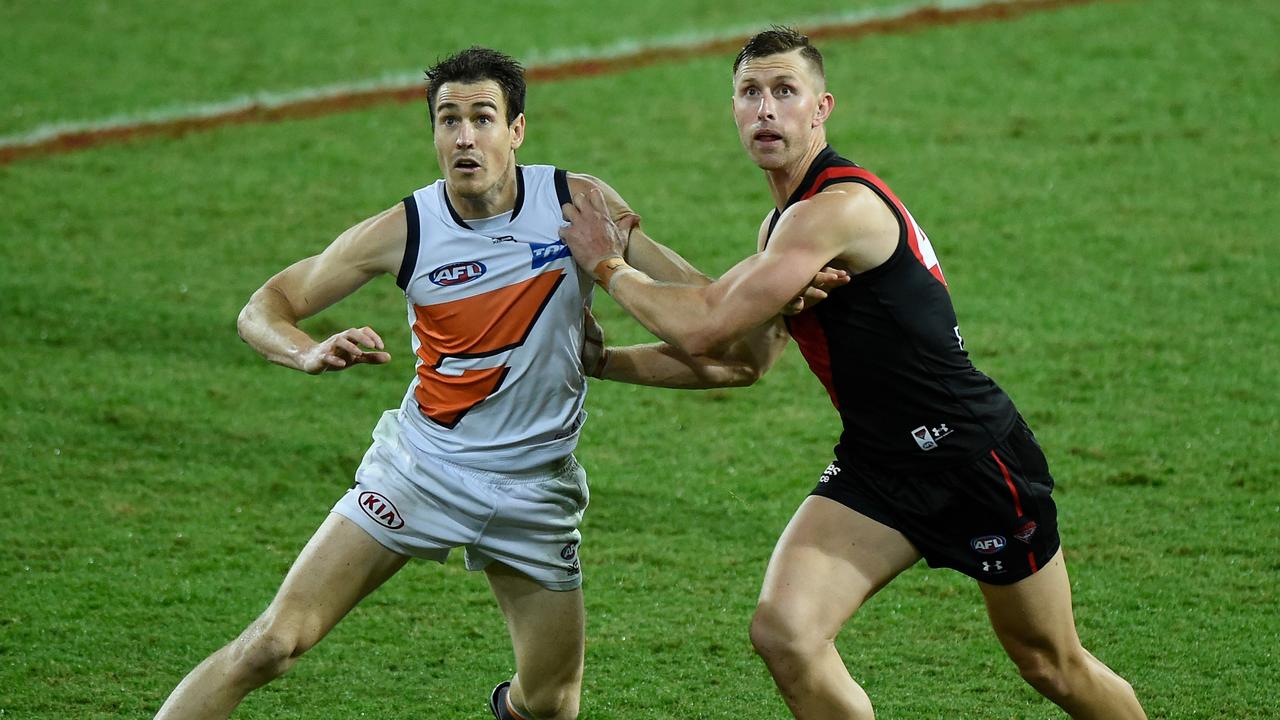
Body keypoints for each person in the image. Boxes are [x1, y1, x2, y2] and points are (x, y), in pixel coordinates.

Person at [153, 46, 844, 720]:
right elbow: (263, 308)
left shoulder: (580, 203)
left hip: (535, 492)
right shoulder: (406, 229)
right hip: (422, 471)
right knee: (275, 643)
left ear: (516, 130)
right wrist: (304, 351)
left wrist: (773, 295)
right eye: (448, 120)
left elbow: (705, 303)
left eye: (483, 118)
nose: (464, 136)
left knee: (550, 704)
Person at [558, 27, 1148, 720]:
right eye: (750, 93)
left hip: (971, 459)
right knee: (785, 634)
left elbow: (705, 323)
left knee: (1050, 663)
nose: (766, 110)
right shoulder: (783, 225)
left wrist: (608, 262)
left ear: (821, 109)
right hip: (879, 463)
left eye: (785, 92)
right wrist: (603, 357)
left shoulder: (835, 210)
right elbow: (744, 361)